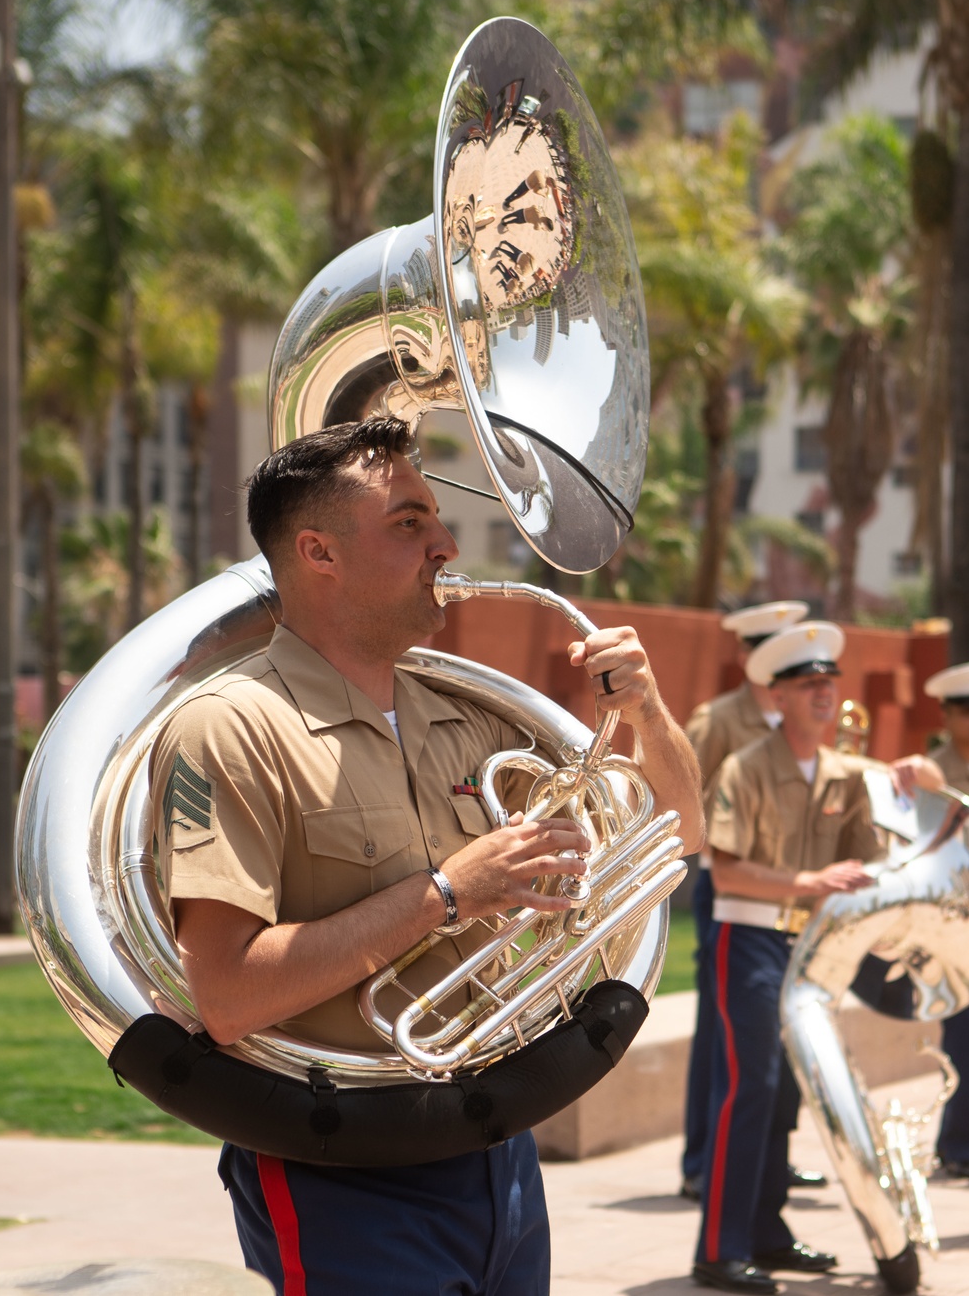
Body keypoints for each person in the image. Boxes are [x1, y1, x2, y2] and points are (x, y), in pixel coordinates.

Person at [149, 416, 705, 1296]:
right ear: (318, 552)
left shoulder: (468, 713)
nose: (445, 543)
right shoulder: (229, 726)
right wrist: (448, 893)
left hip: (499, 1155)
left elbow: (676, 832)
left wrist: (647, 711)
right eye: (409, 522)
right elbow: (228, 994)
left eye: (436, 521)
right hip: (341, 1170)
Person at [690, 621, 938, 1296]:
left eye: (830, 683)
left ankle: (767, 1233)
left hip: (812, 945)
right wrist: (808, 882)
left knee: (787, 1093)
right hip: (750, 937)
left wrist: (920, 772)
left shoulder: (845, 773)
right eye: (810, 685)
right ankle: (719, 1248)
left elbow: (897, 828)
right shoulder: (745, 766)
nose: (826, 694)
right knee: (750, 1088)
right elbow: (728, 870)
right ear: (781, 696)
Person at [680, 602, 809, 1202]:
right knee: (720, 1028)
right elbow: (683, 800)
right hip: (728, 884)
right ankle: (703, 1161)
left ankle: (764, 1159)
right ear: (743, 655)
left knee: (775, 1029)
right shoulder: (719, 719)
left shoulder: (795, 718)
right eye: (764, 645)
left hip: (787, 886)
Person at [923, 662, 969, 1179]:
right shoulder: (929, 774)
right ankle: (958, 1146)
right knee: (962, 1035)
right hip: (957, 923)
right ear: (946, 715)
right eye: (964, 710)